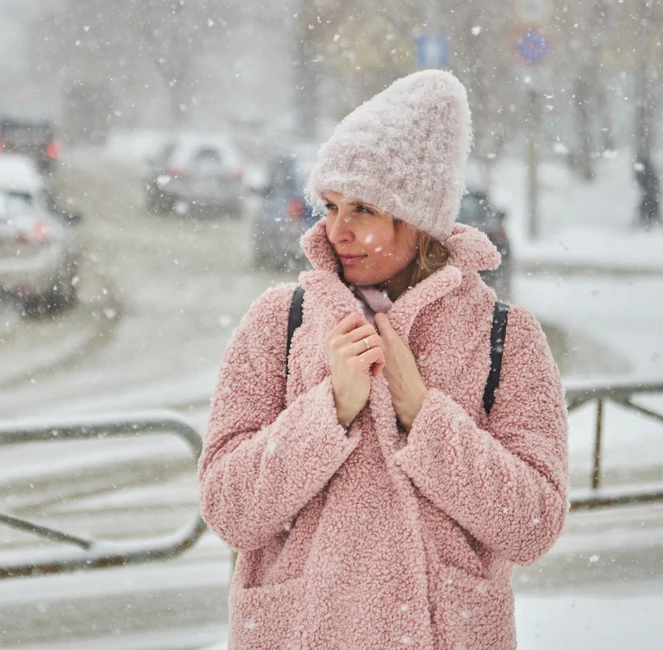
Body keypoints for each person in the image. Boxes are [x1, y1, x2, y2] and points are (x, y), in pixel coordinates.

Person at [198, 70, 569, 649]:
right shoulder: (281, 322)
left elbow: (534, 524)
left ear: (418, 223)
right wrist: (331, 411)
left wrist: (424, 415)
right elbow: (227, 509)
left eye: (363, 210)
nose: (337, 231)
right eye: (330, 206)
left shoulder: (505, 338)